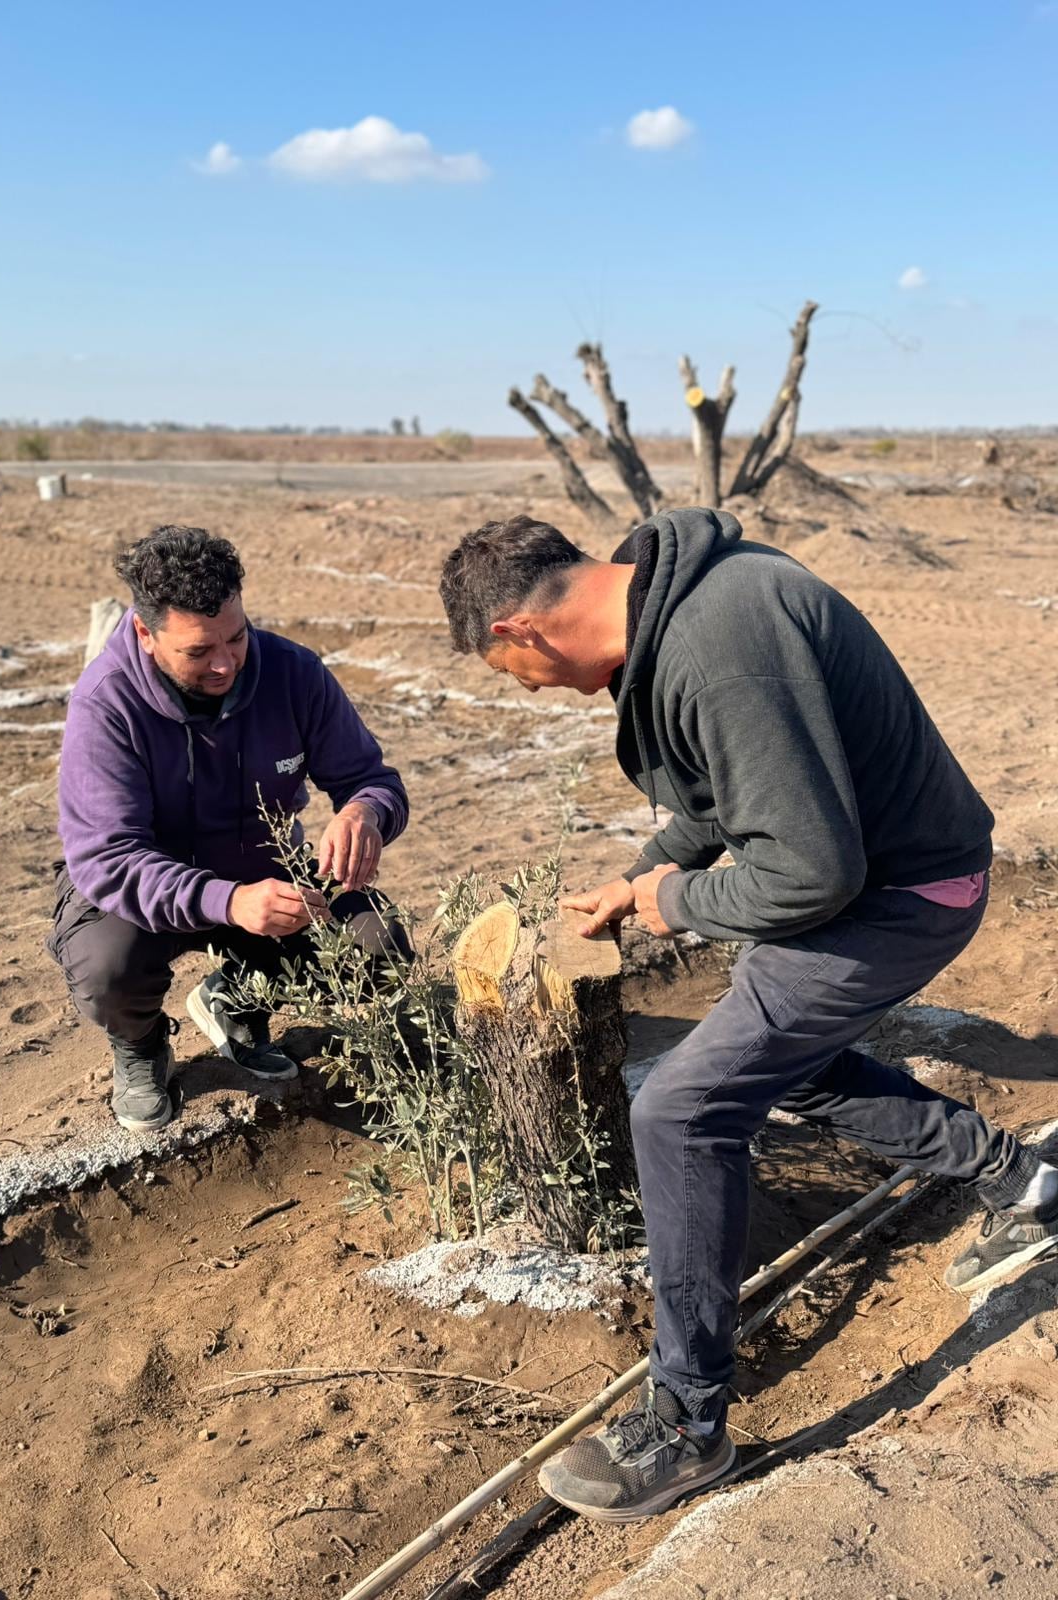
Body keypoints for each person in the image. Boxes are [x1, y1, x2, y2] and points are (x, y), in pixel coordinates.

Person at [438, 507, 1058, 1523]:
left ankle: (687, 1425)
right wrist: (646, 868)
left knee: (680, 1109)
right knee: (779, 1060)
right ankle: (1019, 1178)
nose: (526, 690)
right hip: (887, 881)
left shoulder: (716, 642)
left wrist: (665, 904)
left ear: (518, 633)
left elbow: (810, 868)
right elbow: (736, 786)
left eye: (511, 675)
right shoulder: (677, 601)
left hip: (906, 896)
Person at [48, 525, 409, 1133]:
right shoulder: (105, 703)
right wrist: (230, 901)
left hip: (260, 870)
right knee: (108, 966)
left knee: (376, 948)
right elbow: (109, 859)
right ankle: (140, 1047)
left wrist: (363, 814)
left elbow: (374, 781)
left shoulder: (294, 673)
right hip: (138, 894)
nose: (224, 664)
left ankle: (235, 1003)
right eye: (197, 651)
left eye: (236, 638)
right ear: (145, 632)